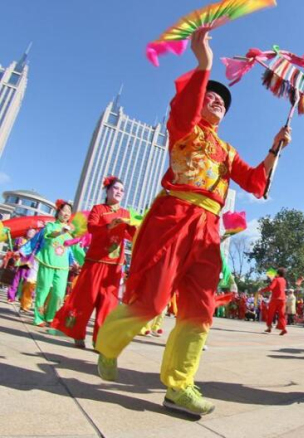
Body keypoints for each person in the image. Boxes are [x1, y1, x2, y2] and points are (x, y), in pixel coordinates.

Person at [94, 29, 292, 417]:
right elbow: (184, 107)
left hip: (208, 229)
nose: (217, 100)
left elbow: (255, 182)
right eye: (210, 96)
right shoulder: (183, 128)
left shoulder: (226, 149)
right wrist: (204, 63)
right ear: (198, 102)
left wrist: (273, 148)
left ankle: (179, 385)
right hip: (173, 217)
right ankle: (108, 343)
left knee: (200, 309)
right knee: (151, 301)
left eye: (223, 101)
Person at [51, 177, 136, 349]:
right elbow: (91, 228)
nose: (119, 192)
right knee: (85, 299)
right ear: (108, 191)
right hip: (95, 262)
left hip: (115, 266)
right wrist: (108, 226)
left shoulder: (126, 214)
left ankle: (100, 340)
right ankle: (77, 333)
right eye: (116, 188)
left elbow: (133, 234)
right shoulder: (98, 209)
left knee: (108, 304)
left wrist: (137, 225)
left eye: (122, 190)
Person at [33, 200, 76, 327]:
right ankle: (38, 318)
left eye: (69, 211)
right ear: (58, 212)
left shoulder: (71, 232)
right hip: (47, 261)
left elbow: (75, 248)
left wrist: (81, 261)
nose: (67, 213)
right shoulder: (50, 226)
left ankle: (51, 317)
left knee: (58, 293)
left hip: (63, 266)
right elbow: (49, 235)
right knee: (43, 290)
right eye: (64, 210)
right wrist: (60, 232)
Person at [260, 268, 288, 335]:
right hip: (283, 299)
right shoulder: (284, 280)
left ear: (278, 273)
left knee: (270, 313)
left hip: (275, 299)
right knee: (281, 315)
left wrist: (262, 290)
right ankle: (283, 329)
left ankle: (269, 327)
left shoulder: (276, 279)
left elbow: (271, 288)